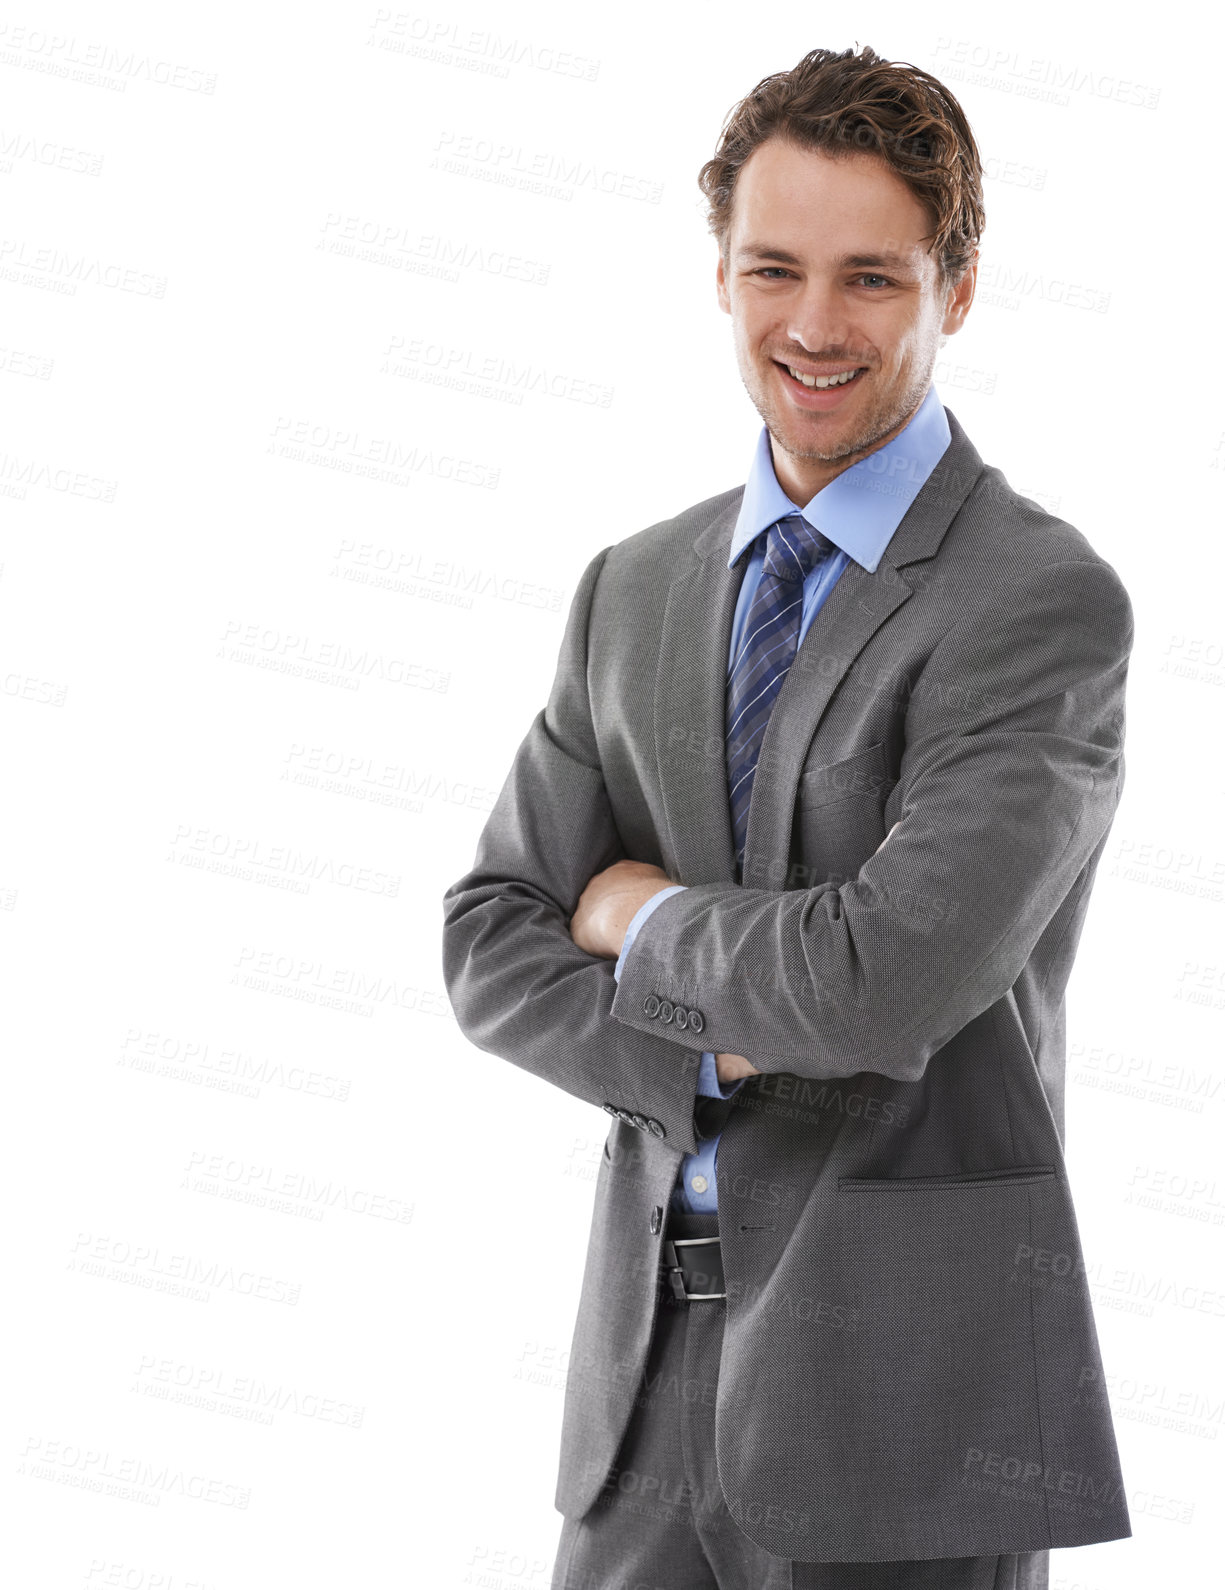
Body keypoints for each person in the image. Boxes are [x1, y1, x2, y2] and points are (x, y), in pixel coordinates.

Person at [441, 43, 1132, 1590]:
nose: (812, 327)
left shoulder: (1038, 605)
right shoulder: (635, 585)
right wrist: (713, 1040)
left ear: (955, 288)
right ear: (720, 275)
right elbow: (486, 938)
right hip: (637, 1393)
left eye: (871, 279)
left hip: (899, 1403)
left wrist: (631, 916)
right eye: (774, 268)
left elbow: (886, 981)